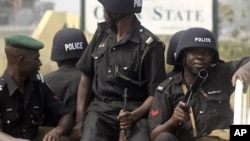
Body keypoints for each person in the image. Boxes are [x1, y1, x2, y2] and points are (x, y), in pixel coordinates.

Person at [71, 0, 167, 141]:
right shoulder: (101, 34)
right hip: (100, 111)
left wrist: (133, 115)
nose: (103, 12)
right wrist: (79, 119)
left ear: (117, 12)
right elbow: (86, 76)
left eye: (106, 8)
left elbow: (155, 93)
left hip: (135, 112)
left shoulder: (150, 45)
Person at [148, 27, 250, 141]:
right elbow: (154, 135)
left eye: (205, 52)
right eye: (194, 52)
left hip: (221, 138)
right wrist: (172, 121)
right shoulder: (167, 88)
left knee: (243, 133)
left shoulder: (222, 73)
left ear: (212, 56)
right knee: (164, 137)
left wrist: (245, 69)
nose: (200, 56)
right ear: (184, 55)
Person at [0, 34, 74, 141]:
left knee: (65, 138)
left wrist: (58, 130)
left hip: (32, 137)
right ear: (21, 61)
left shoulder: (37, 85)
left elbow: (66, 115)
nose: (40, 64)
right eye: (36, 59)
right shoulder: (2, 90)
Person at [44, 28, 88, 122]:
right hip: (87, 134)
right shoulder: (94, 79)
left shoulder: (45, 81)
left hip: (50, 134)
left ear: (56, 58)